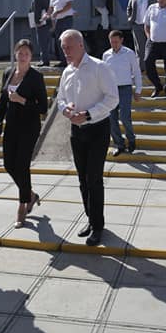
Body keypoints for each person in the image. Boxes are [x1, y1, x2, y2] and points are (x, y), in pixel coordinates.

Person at [57, 29, 119, 246]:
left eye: (69, 47)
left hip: (97, 129)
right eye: (63, 48)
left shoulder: (98, 67)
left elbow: (113, 99)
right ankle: (91, 219)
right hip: (76, 131)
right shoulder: (67, 71)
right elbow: (60, 99)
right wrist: (66, 110)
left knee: (94, 178)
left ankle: (98, 226)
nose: (65, 51)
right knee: (82, 179)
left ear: (81, 45)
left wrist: (89, 114)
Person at [0, 39, 48, 227]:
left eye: (27, 54)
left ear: (31, 57)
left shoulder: (35, 76)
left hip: (29, 127)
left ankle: (22, 206)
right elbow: (2, 102)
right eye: (20, 52)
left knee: (22, 166)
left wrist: (22, 100)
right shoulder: (8, 73)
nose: (23, 56)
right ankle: (30, 195)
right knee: (9, 164)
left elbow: (43, 107)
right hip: (12, 126)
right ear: (15, 53)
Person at [102, 30, 142, 156]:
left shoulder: (129, 53)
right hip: (110, 89)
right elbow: (103, 74)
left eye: (116, 42)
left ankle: (131, 139)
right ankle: (119, 144)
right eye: (111, 42)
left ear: (121, 40)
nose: (114, 44)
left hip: (125, 88)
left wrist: (138, 90)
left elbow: (136, 72)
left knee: (125, 117)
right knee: (112, 119)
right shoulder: (106, 55)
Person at [125, 0, 156, 74]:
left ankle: (150, 66)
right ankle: (142, 68)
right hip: (137, 25)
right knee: (140, 47)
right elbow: (129, 8)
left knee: (151, 46)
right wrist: (130, 19)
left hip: (150, 24)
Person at [48, 0, 75, 68]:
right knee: (59, 41)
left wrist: (58, 12)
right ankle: (63, 61)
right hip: (58, 21)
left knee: (67, 39)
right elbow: (51, 9)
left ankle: (70, 60)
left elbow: (69, 5)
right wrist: (46, 15)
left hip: (66, 19)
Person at [30, 0, 53, 66]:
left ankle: (44, 61)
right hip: (47, 22)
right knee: (45, 42)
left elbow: (37, 10)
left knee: (42, 42)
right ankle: (45, 59)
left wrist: (37, 22)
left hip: (41, 23)